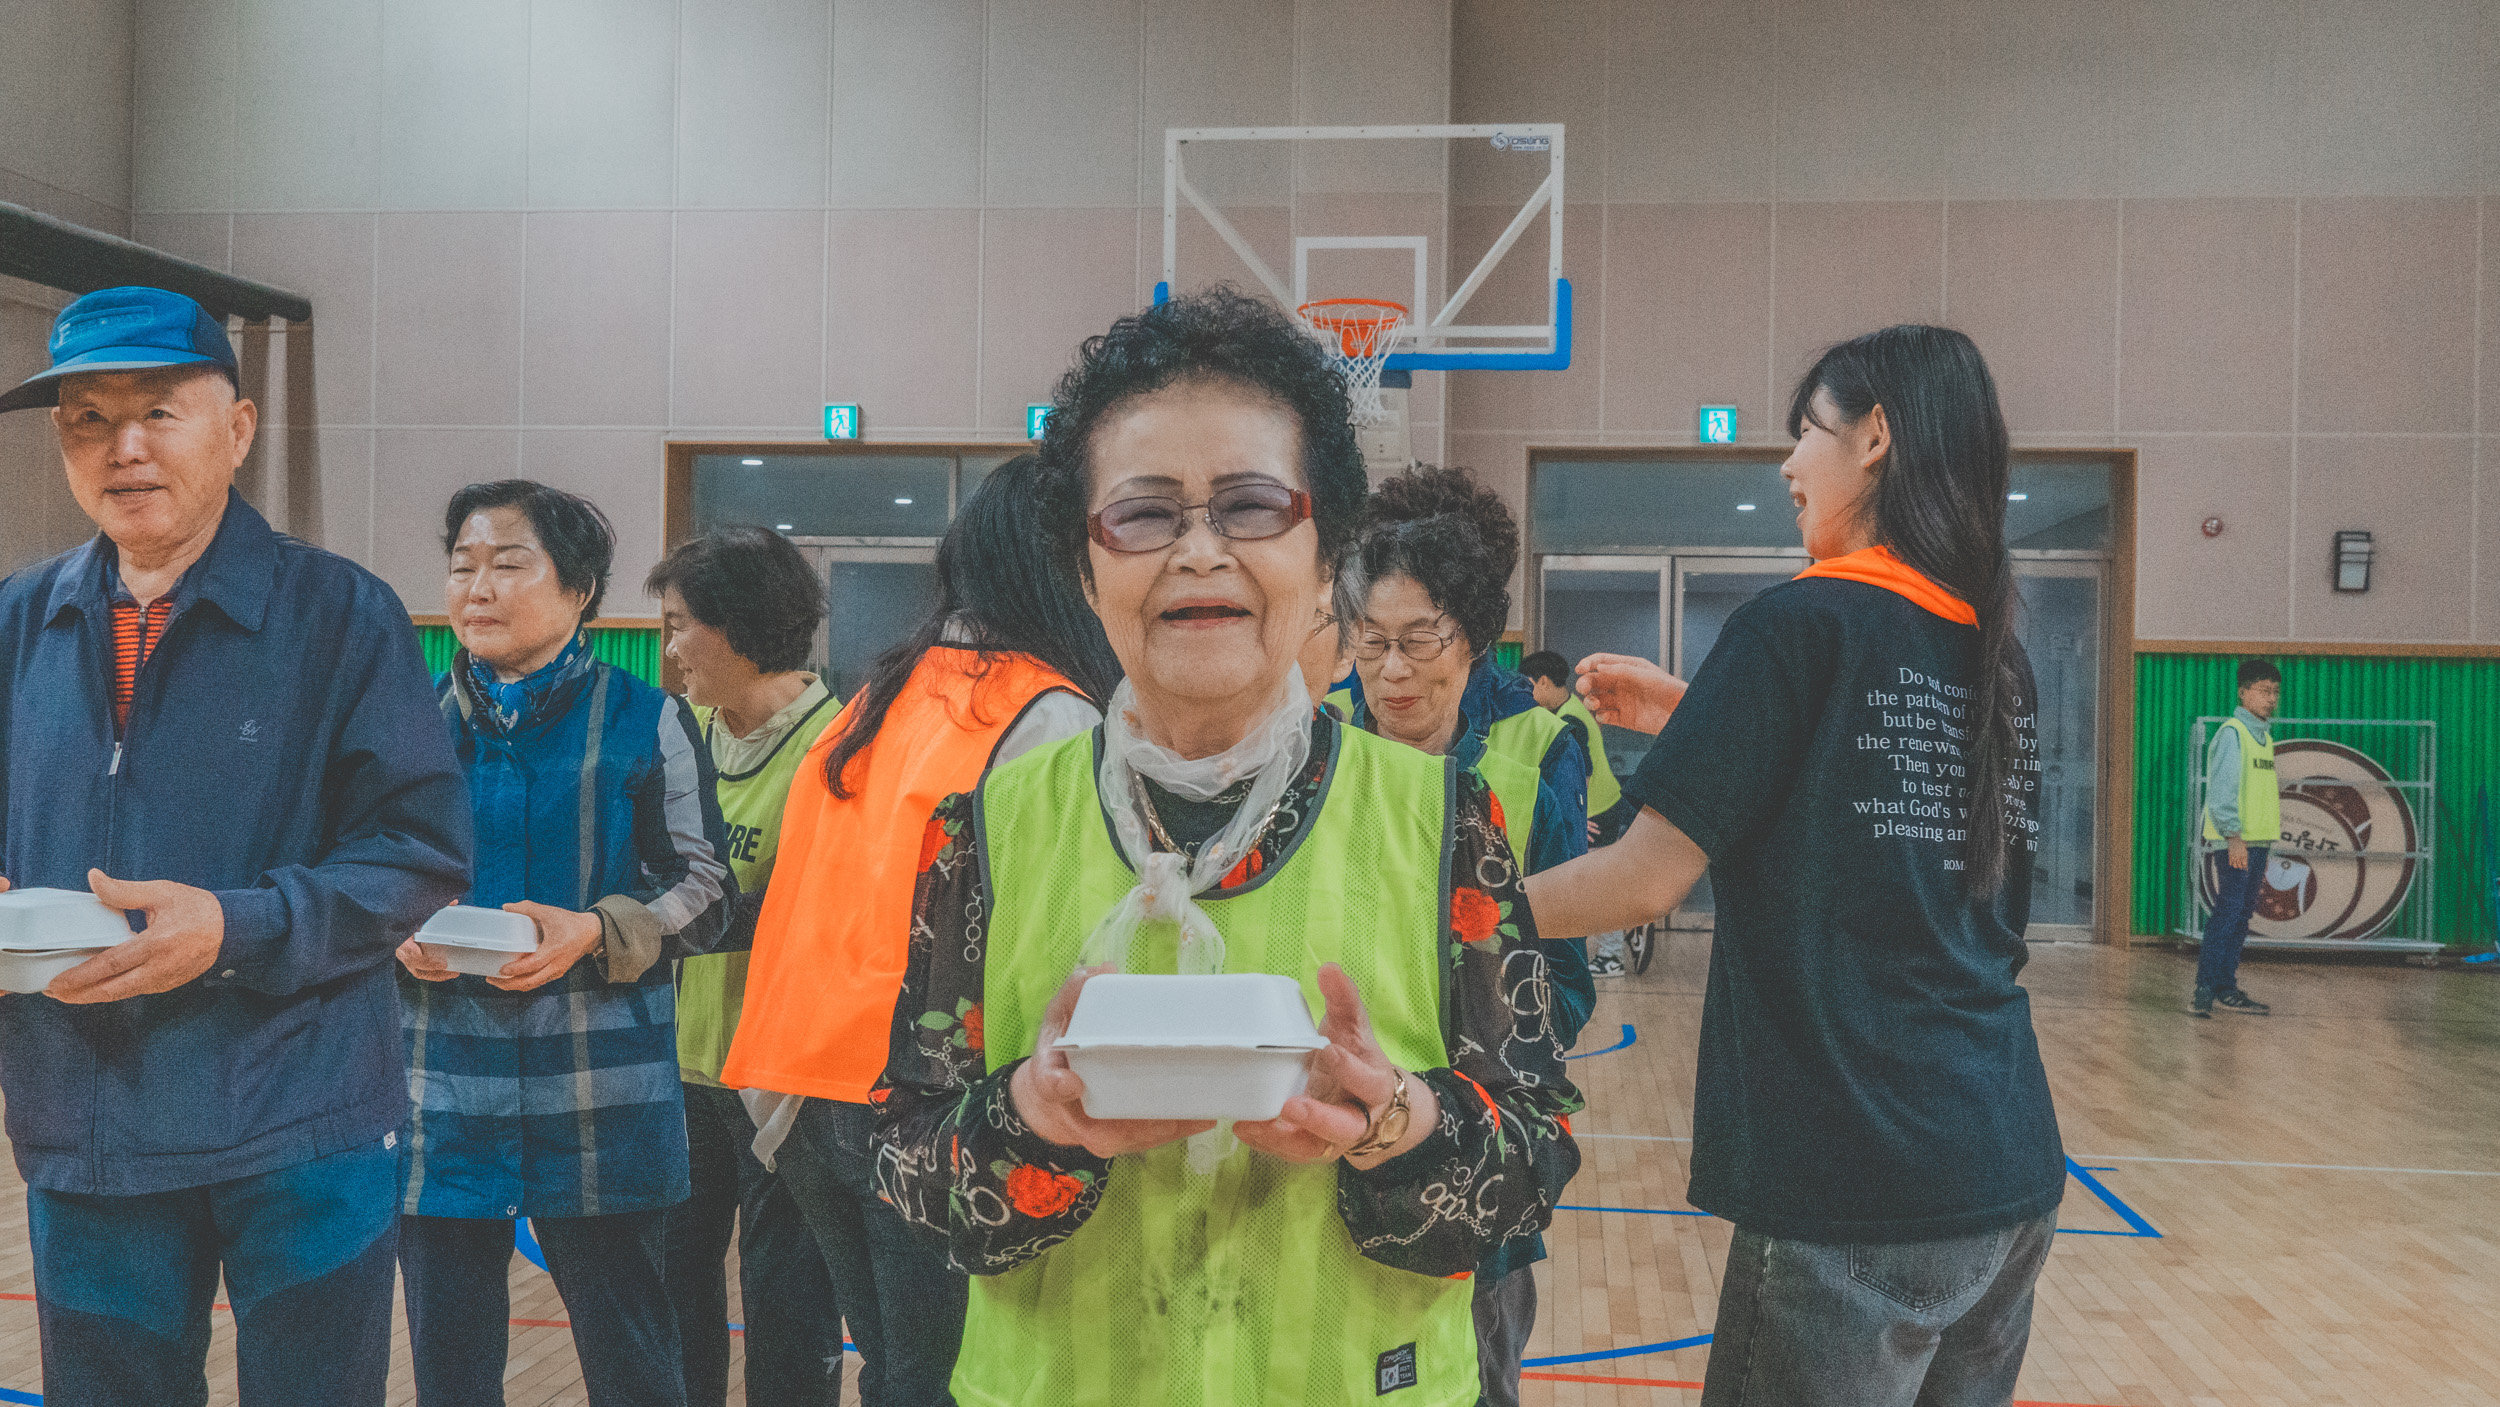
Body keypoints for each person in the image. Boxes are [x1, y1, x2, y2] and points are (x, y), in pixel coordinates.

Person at [872, 289, 1582, 1406]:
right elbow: (906, 1160)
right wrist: (1030, 1124)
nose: (1199, 551)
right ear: (1084, 567)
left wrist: (1394, 1120)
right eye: (1143, 514)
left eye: (1250, 506)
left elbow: (1530, 1169)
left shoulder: (1445, 821)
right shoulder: (986, 830)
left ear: (1324, 555)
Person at [1523, 325, 2062, 1407]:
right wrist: (1699, 711)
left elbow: (1641, 881)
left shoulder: (1799, 621)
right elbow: (1866, 797)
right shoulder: (1994, 654)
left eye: (1804, 431)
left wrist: (1461, 909)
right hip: (2007, 1169)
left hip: (1855, 1174)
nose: (1786, 465)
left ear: (1874, 437)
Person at [0, 286, 471, 1406]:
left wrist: (234, 926)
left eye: (157, 412)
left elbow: (418, 850)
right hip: (86, 1119)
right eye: (87, 418)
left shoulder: (342, 615)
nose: (122, 447)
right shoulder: (19, 619)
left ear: (239, 429)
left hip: (300, 1117)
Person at [718, 453, 1120, 1406]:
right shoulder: (1047, 714)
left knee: (899, 1373)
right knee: (943, 1382)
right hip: (919, 1100)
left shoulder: (881, 695)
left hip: (805, 1090)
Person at [397, 480, 734, 1407]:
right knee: (450, 1369)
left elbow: (708, 890)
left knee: (634, 1363)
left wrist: (595, 927)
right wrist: (393, 931)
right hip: (441, 1091)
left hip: (600, 1097)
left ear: (580, 589)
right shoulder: (410, 724)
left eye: (509, 564)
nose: (478, 588)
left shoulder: (646, 717)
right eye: (463, 567)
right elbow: (363, 869)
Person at [1339, 467, 1595, 1407]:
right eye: (1372, 641)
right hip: (1328, 1146)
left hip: (1470, 1157)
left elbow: (1567, 986)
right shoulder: (1315, 752)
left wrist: (1474, 1039)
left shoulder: (1527, 768)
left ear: (1472, 635)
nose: (1393, 670)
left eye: (1420, 639)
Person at [647, 527, 846, 1407]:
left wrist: (647, 923)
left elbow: (813, 913)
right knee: (671, 1295)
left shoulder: (837, 746)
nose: (668, 648)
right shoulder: (678, 734)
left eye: (679, 625)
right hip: (680, 1069)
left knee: (788, 1311)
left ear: (738, 627)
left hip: (791, 1083)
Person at [1521, 649, 1635, 976]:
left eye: (1528, 684)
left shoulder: (1569, 719)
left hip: (1595, 813)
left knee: (1596, 887)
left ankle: (1612, 956)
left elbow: (1581, 774)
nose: (1525, 693)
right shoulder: (1570, 709)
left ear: (1543, 681)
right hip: (1598, 807)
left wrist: (1578, 819)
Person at [2194, 659, 2281, 1017]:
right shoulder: (2233, 734)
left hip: (2257, 841)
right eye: (2263, 691)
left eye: (2275, 692)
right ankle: (2204, 989)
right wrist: (2234, 836)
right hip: (2236, 841)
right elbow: (2222, 793)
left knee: (2241, 915)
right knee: (2228, 913)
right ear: (2243, 693)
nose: (2271, 698)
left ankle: (2225, 986)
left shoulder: (2265, 737)